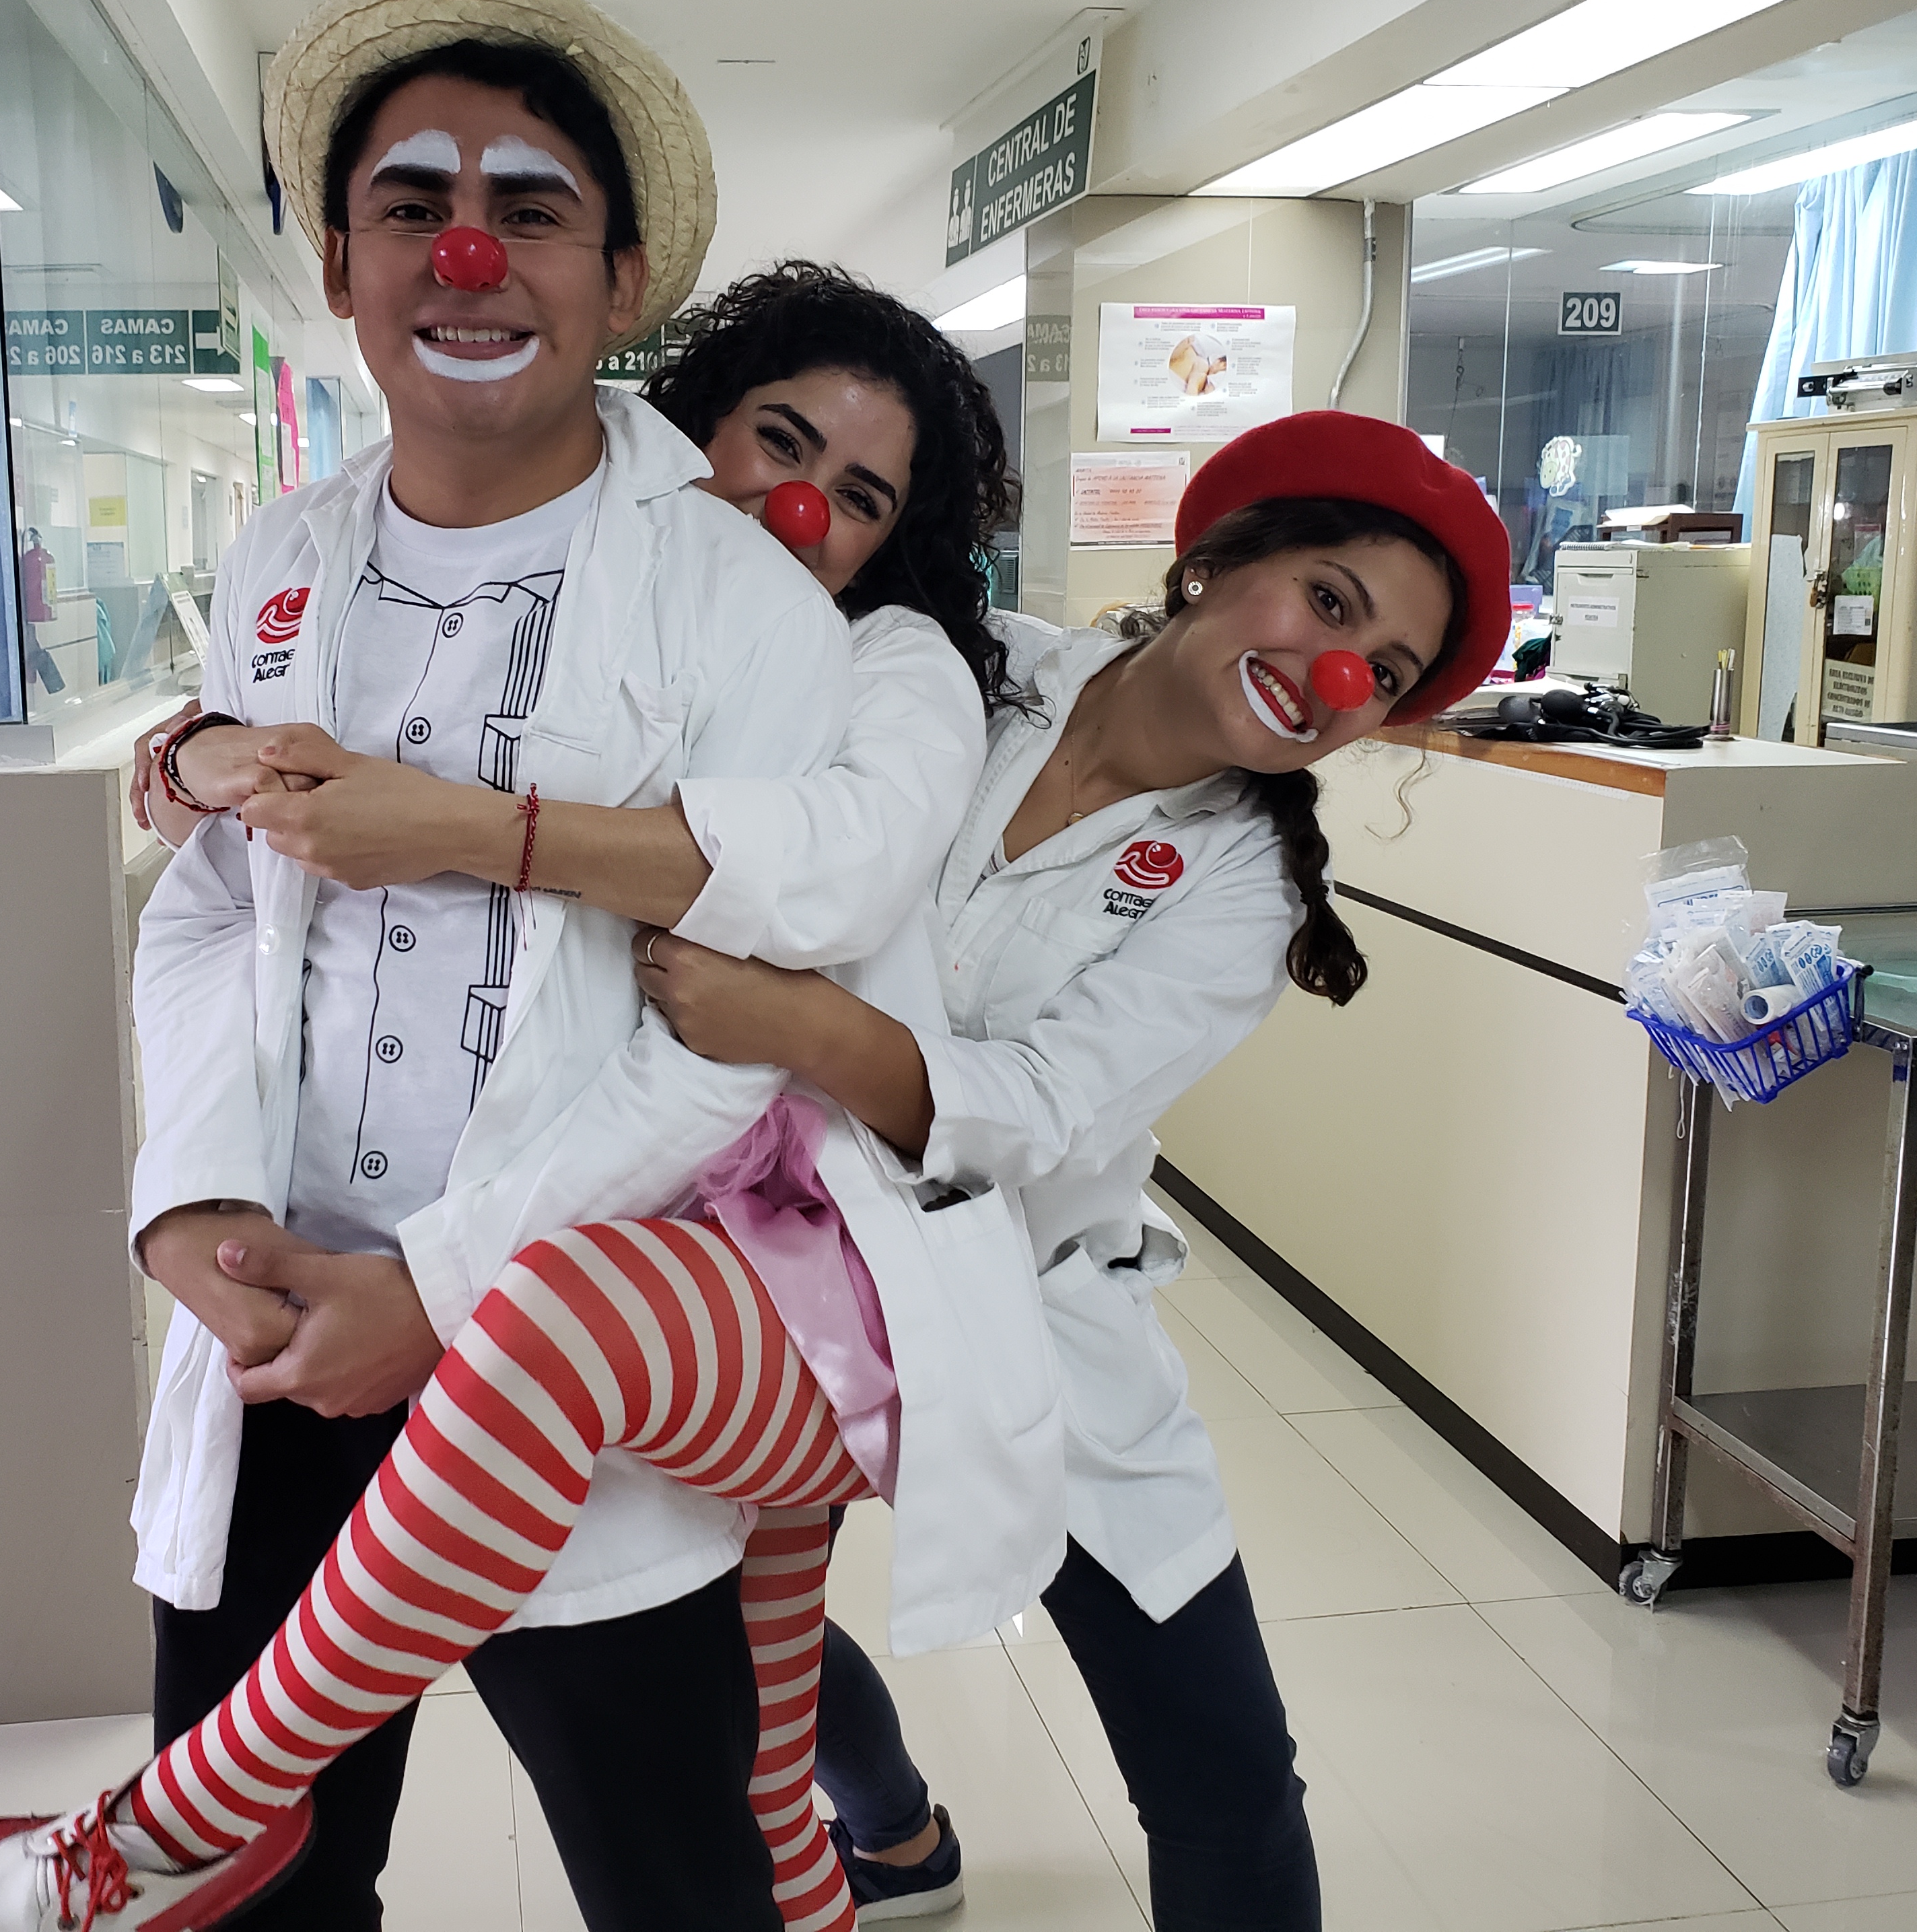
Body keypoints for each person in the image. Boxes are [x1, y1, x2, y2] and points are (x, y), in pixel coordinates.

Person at [0, 0, 1068, 1932]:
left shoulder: (747, 605)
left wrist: (447, 1285)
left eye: (528, 209)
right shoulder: (281, 557)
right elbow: (213, 900)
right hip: (278, 1321)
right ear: (341, 261)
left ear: (620, 282)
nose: (467, 250)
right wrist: (188, 1205)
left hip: (552, 1344)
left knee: (681, 1888)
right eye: (413, 203)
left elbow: (732, 1020)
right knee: (260, 1896)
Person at [633, 411, 1511, 1929]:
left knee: (1223, 1769)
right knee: (725, 1618)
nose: (1338, 678)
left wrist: (799, 1023)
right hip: (779, 1239)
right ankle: (896, 1831)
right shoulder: (972, 672)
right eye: (1329, 601)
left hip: (1027, 1293)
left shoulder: (1244, 884)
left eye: (1386, 673)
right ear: (1215, 562)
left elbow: (1043, 1106)